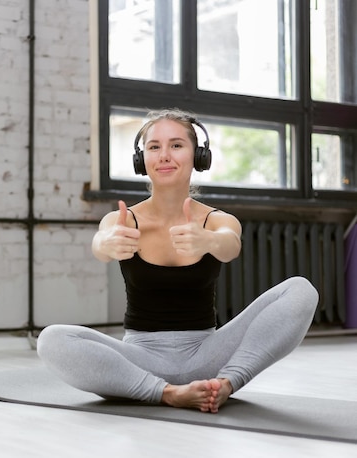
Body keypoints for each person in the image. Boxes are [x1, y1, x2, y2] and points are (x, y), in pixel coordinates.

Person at [37, 108, 319, 413]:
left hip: (208, 356)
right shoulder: (122, 220)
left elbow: (230, 244)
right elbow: (100, 245)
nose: (164, 156)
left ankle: (225, 383)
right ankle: (166, 392)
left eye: (176, 145)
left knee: (301, 291)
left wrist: (208, 240)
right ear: (141, 159)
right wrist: (107, 242)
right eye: (154, 147)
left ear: (198, 156)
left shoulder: (216, 220)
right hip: (140, 359)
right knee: (52, 339)